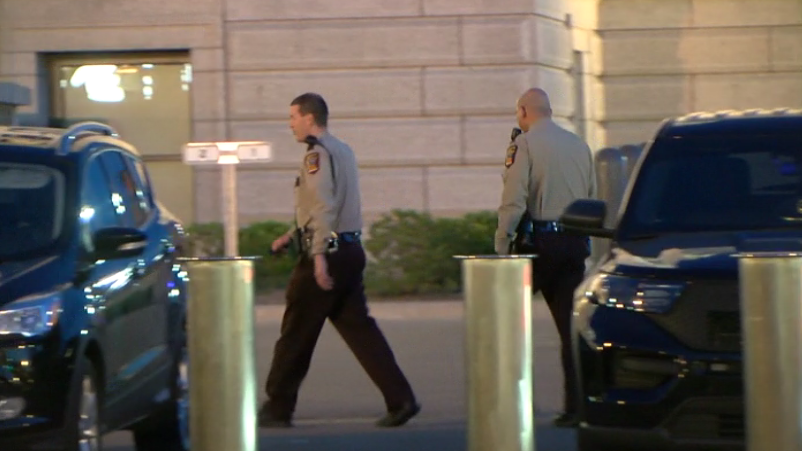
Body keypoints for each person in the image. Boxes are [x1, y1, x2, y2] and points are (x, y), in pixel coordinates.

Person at [258, 92, 420, 429]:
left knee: (295, 334)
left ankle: (277, 407)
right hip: (350, 251)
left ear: (309, 118)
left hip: (327, 255)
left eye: (293, 117)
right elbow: (331, 204)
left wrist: (317, 256)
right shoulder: (342, 150)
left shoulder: (316, 155)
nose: (290, 124)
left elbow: (324, 206)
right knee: (361, 330)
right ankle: (401, 399)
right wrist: (291, 235)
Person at [494, 88, 596, 428]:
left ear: (524, 111)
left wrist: (503, 241)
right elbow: (593, 196)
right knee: (571, 330)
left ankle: (508, 403)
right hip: (574, 241)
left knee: (504, 323)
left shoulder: (524, 144)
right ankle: (575, 407)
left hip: (539, 244)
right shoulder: (579, 145)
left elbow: (514, 197)